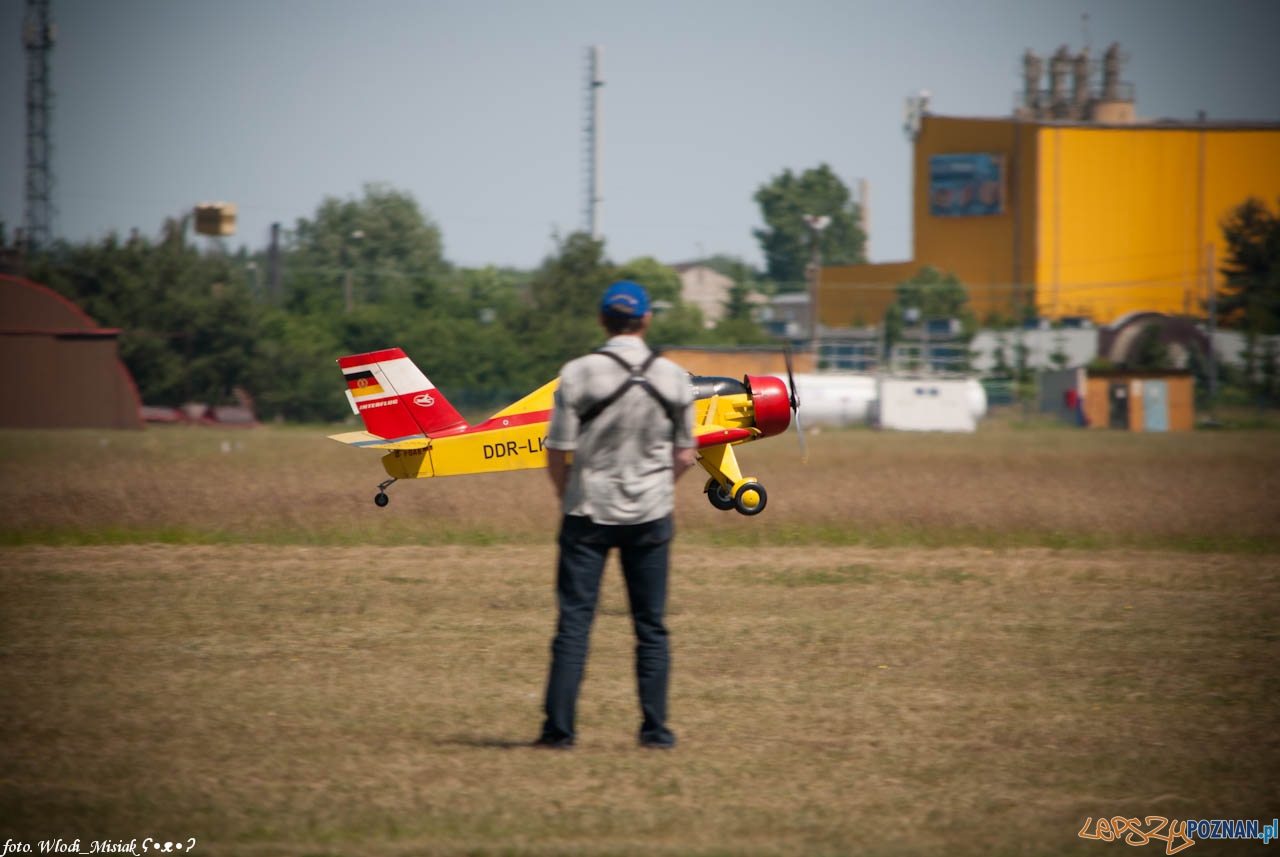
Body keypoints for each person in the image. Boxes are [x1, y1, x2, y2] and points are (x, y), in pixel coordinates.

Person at [535, 280, 697, 750]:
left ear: (602, 320)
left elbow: (558, 448)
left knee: (574, 624)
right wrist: (658, 490)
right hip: (651, 516)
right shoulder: (674, 377)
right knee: (650, 626)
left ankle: (558, 732)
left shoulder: (578, 372)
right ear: (646, 321)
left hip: (587, 511)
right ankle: (655, 731)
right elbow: (686, 454)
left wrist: (567, 494)